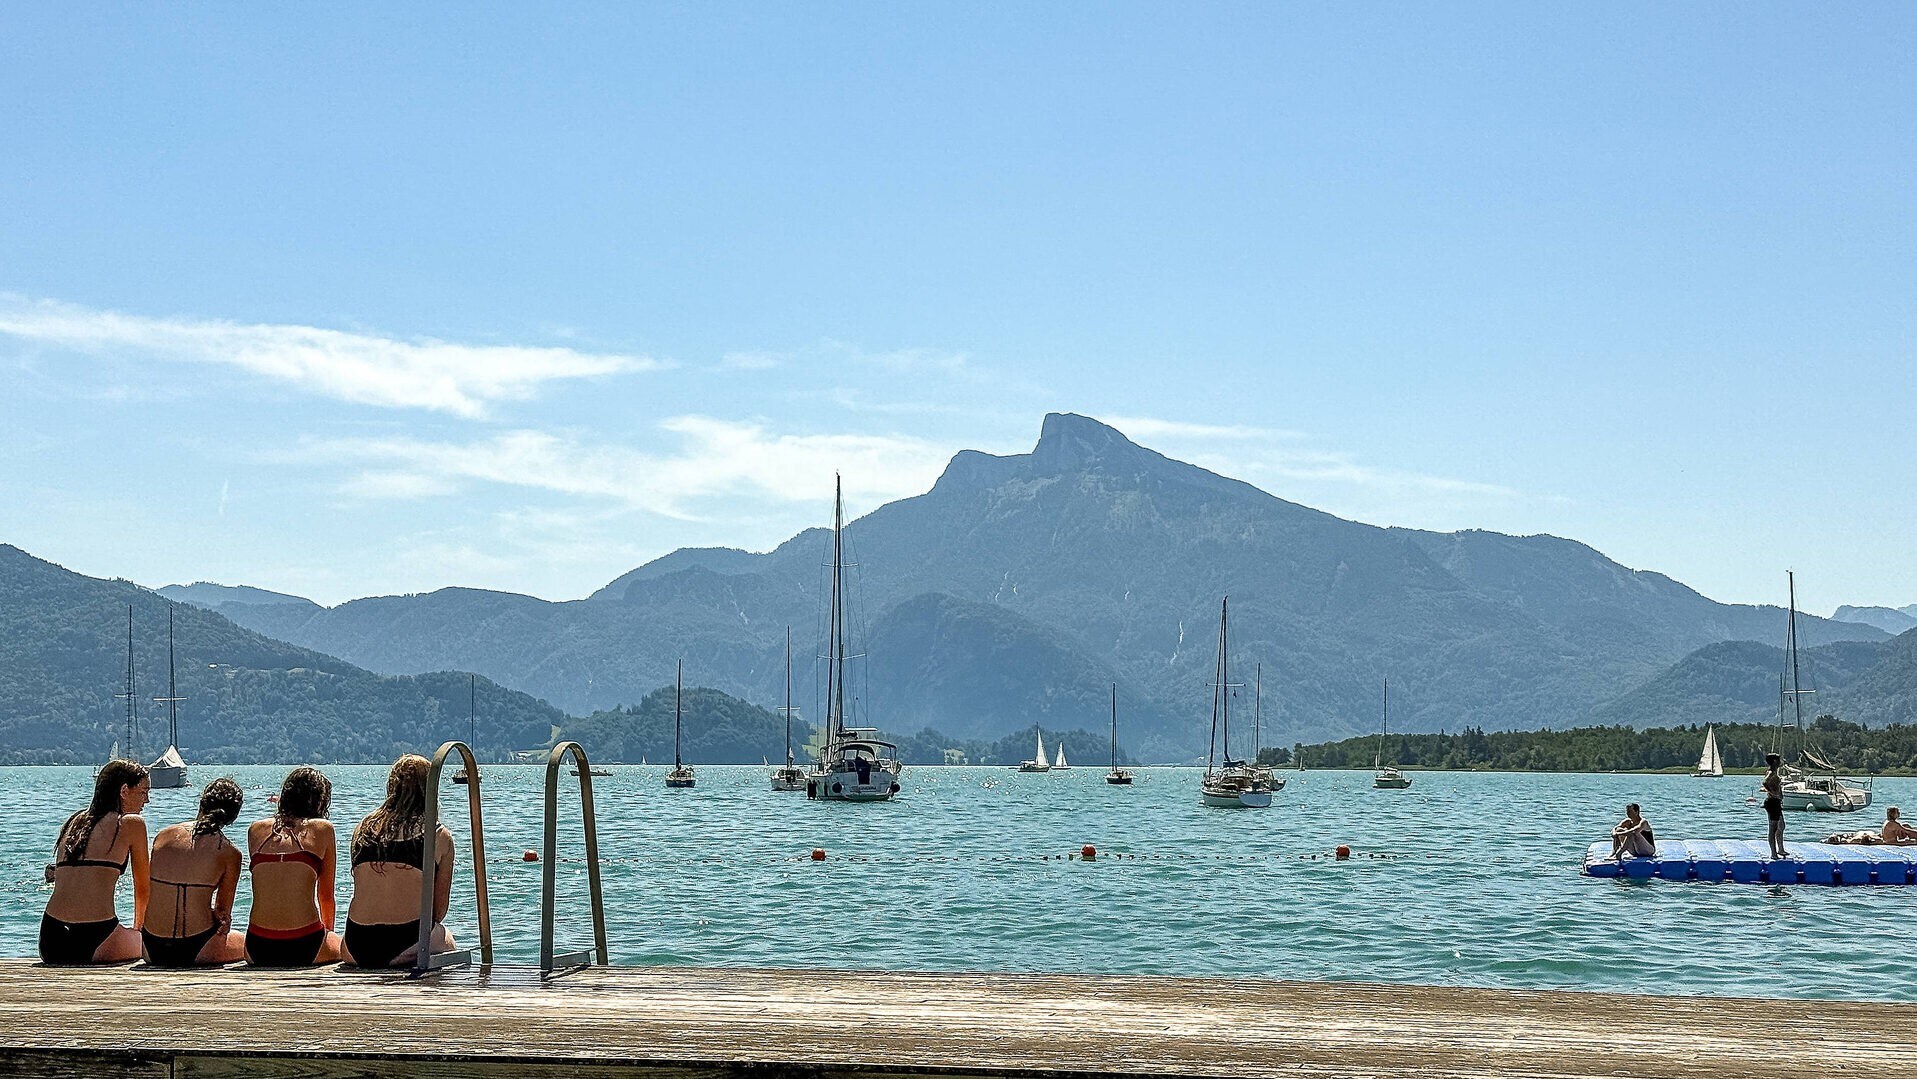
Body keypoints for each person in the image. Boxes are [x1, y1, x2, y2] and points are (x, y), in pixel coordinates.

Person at [341, 754, 459, 969]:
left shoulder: (362, 828)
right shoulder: (438, 835)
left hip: (354, 944)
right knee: (448, 940)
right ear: (430, 788)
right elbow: (438, 912)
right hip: (407, 943)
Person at [40, 760, 151, 964]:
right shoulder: (131, 824)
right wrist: (138, 930)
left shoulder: (75, 821)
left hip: (51, 938)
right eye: (143, 792)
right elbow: (143, 888)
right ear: (124, 790)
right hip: (98, 935)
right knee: (152, 944)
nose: (147, 800)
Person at [143, 777, 246, 967]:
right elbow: (223, 913)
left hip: (151, 946)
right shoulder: (230, 853)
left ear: (202, 803)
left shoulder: (163, 836)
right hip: (199, 947)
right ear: (233, 817)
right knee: (246, 942)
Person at [245, 767, 341, 966]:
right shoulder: (322, 829)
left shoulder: (256, 829)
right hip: (306, 944)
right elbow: (325, 896)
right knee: (347, 948)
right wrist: (328, 934)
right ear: (320, 801)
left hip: (257, 946)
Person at [1761, 753, 1789, 859]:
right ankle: (1773, 853)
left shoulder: (1775, 773)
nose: (1780, 762)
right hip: (1772, 802)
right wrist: (1773, 792)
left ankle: (1781, 849)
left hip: (1776, 802)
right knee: (1773, 828)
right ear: (1774, 762)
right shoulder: (1771, 772)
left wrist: (1779, 795)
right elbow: (1765, 782)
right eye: (1778, 760)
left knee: (1781, 825)